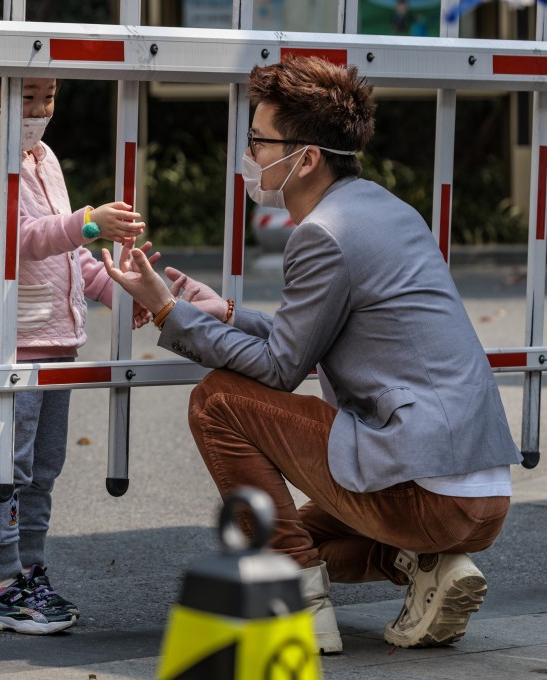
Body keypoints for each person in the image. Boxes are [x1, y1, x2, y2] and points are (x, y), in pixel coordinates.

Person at [102, 55, 520, 654]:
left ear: (308, 157)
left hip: (422, 487)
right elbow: (314, 333)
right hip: (480, 499)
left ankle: (297, 601)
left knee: (217, 400)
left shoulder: (321, 234)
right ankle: (427, 568)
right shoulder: (383, 210)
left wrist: (169, 313)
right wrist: (220, 313)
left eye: (259, 141)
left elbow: (279, 366)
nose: (250, 156)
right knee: (288, 535)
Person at [0, 75, 156, 635]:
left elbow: (67, 258)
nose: (39, 109)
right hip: (8, 339)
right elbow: (22, 236)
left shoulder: (43, 158)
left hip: (58, 340)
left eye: (49, 97)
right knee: (3, 467)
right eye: (26, 96)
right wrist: (88, 223)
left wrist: (117, 290)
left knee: (43, 467)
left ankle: (29, 571)